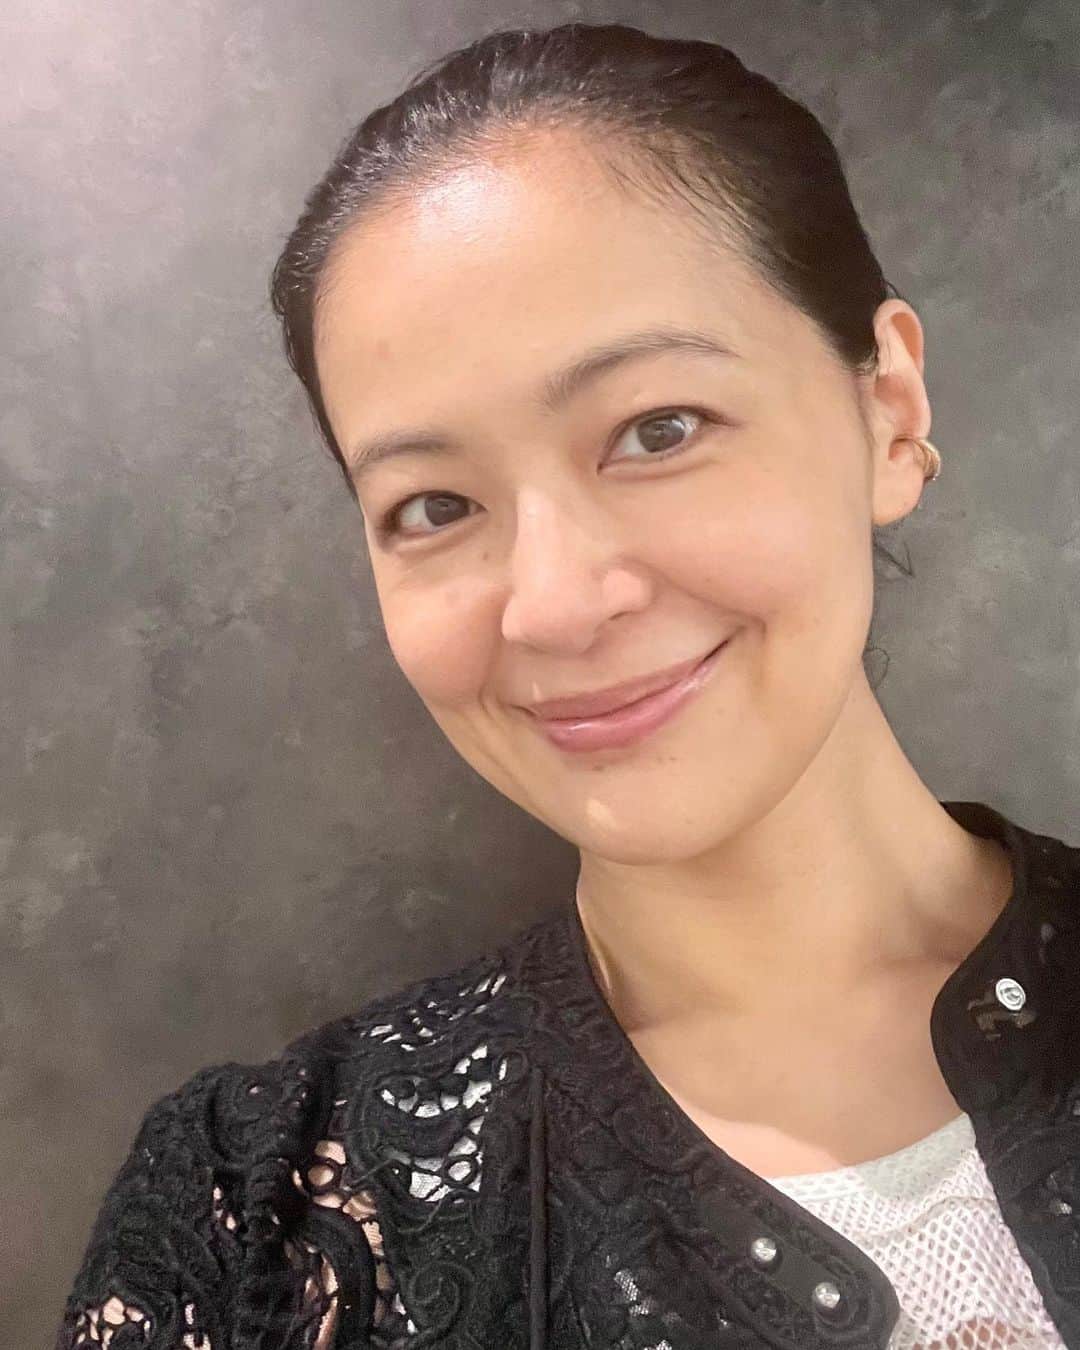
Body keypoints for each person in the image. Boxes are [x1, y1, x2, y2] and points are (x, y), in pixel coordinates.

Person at [55, 21, 1080, 1350]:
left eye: (658, 429)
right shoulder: (256, 1218)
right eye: (434, 505)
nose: (551, 603)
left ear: (888, 413)